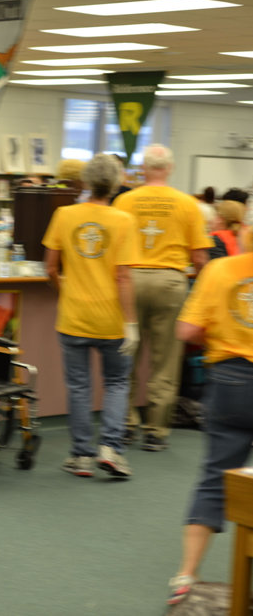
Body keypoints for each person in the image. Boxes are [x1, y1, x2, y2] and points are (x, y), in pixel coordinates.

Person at [166, 226, 253, 605]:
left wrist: (219, 338)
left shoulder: (219, 270)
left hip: (229, 380)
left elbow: (187, 330)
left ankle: (186, 577)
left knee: (215, 478)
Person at [43, 154, 140, 479]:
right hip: (112, 320)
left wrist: (65, 292)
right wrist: (131, 324)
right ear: (115, 185)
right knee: (116, 383)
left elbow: (50, 267)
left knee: (79, 386)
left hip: (73, 317)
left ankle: (81, 456)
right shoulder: (123, 220)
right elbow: (123, 277)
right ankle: (111, 449)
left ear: (85, 181)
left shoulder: (64, 215)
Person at [112, 144, 212, 452]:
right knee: (165, 361)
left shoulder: (124, 201)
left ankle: (126, 425)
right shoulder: (187, 204)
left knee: (127, 357)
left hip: (131, 281)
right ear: (169, 168)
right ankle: (155, 432)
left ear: (143, 168)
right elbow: (200, 258)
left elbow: (113, 247)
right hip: (170, 283)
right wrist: (202, 294)